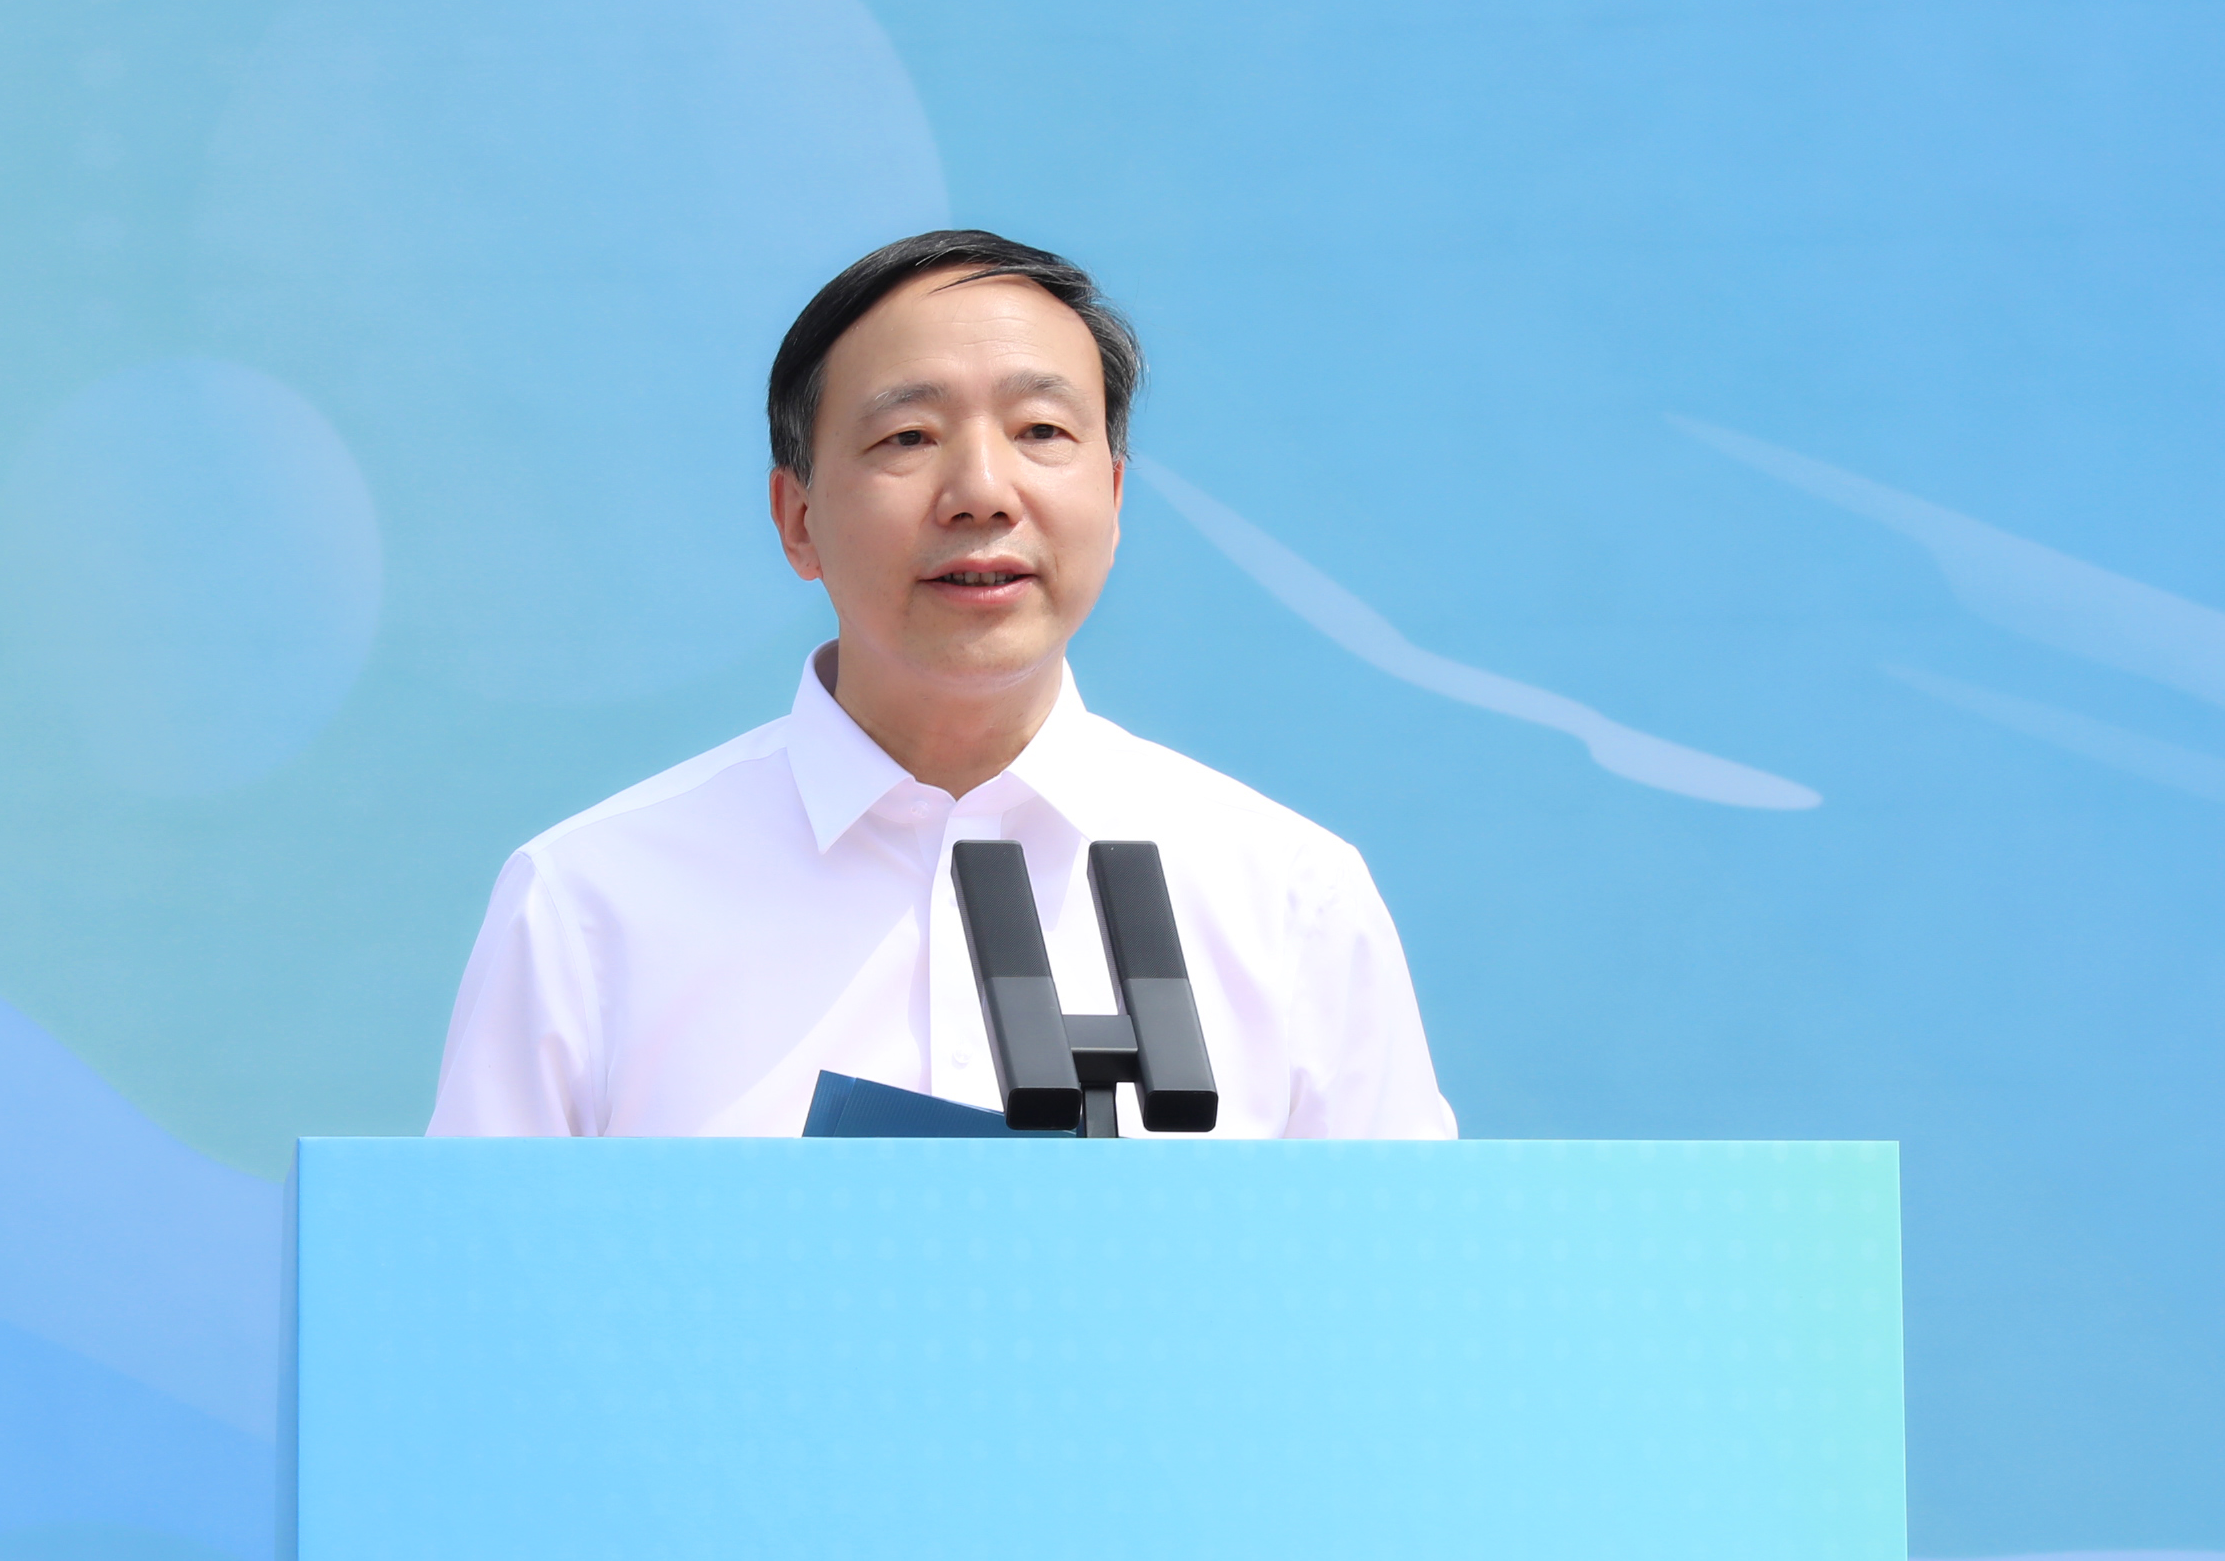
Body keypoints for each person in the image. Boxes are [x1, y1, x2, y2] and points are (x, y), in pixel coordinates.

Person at [425, 229, 1454, 1139]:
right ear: (797, 519)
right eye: (908, 438)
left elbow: (1408, 1282)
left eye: (1041, 431)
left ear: (1113, 496)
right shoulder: (592, 902)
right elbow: (473, 1281)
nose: (981, 493)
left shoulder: (1290, 901)